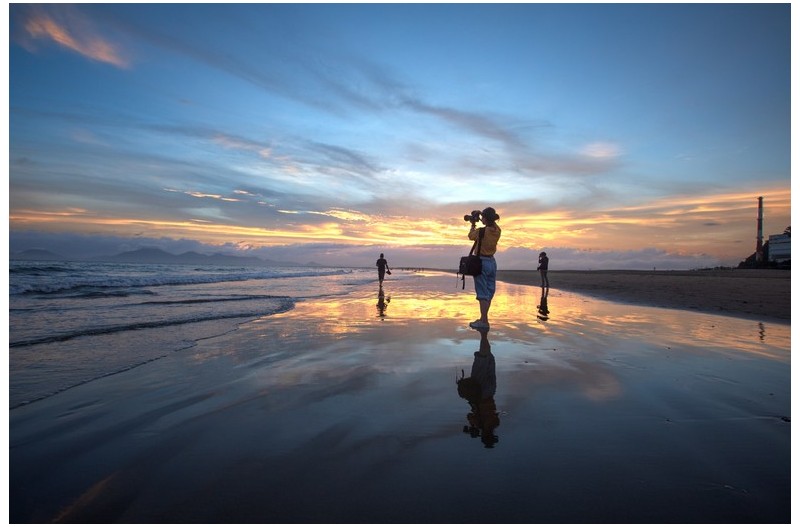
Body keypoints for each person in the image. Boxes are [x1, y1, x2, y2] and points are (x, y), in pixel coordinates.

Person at [468, 207, 501, 330]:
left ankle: (484, 321)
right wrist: (480, 217)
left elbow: (471, 236)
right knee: (489, 292)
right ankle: (483, 319)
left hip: (481, 262)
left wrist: (472, 224)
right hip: (492, 262)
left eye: (483, 217)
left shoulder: (482, 232)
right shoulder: (498, 230)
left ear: (486, 219)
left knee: (482, 293)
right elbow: (491, 225)